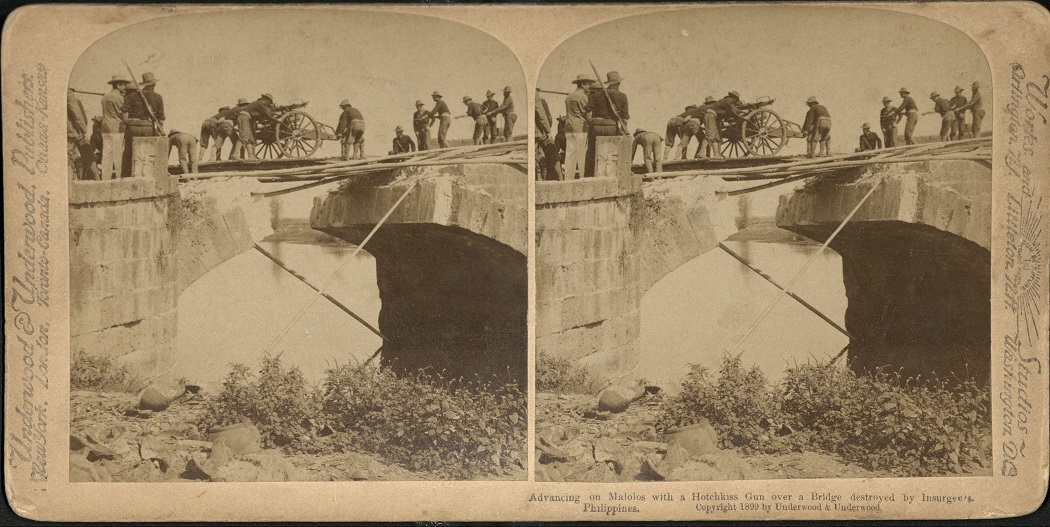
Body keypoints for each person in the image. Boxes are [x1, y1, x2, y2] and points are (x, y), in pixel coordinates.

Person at [584, 71, 629, 177]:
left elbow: (587, 112)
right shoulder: (622, 96)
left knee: (592, 152)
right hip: (611, 126)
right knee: (611, 153)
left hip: (596, 125)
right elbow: (625, 118)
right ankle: (610, 176)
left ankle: (590, 176)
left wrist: (589, 120)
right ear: (618, 83)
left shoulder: (596, 94)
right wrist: (624, 129)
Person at [121, 72, 164, 177]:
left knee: (128, 152)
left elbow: (124, 113)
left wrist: (126, 121)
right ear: (154, 84)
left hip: (132, 126)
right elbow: (161, 119)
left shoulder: (132, 96)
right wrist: (159, 130)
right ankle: (147, 175)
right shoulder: (158, 97)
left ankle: (126, 176)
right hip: (147, 126)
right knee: (148, 153)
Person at [563, 74, 593, 179]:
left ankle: (568, 178)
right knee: (581, 154)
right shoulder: (583, 97)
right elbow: (587, 115)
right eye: (588, 84)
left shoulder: (569, 96)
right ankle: (582, 177)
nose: (590, 86)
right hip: (580, 128)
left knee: (570, 154)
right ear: (583, 84)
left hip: (568, 128)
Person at [535, 91, 563, 180]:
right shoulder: (538, 99)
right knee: (552, 153)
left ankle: (540, 179)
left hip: (534, 132)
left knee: (536, 157)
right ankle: (560, 178)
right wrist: (548, 130)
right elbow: (544, 116)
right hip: (539, 132)